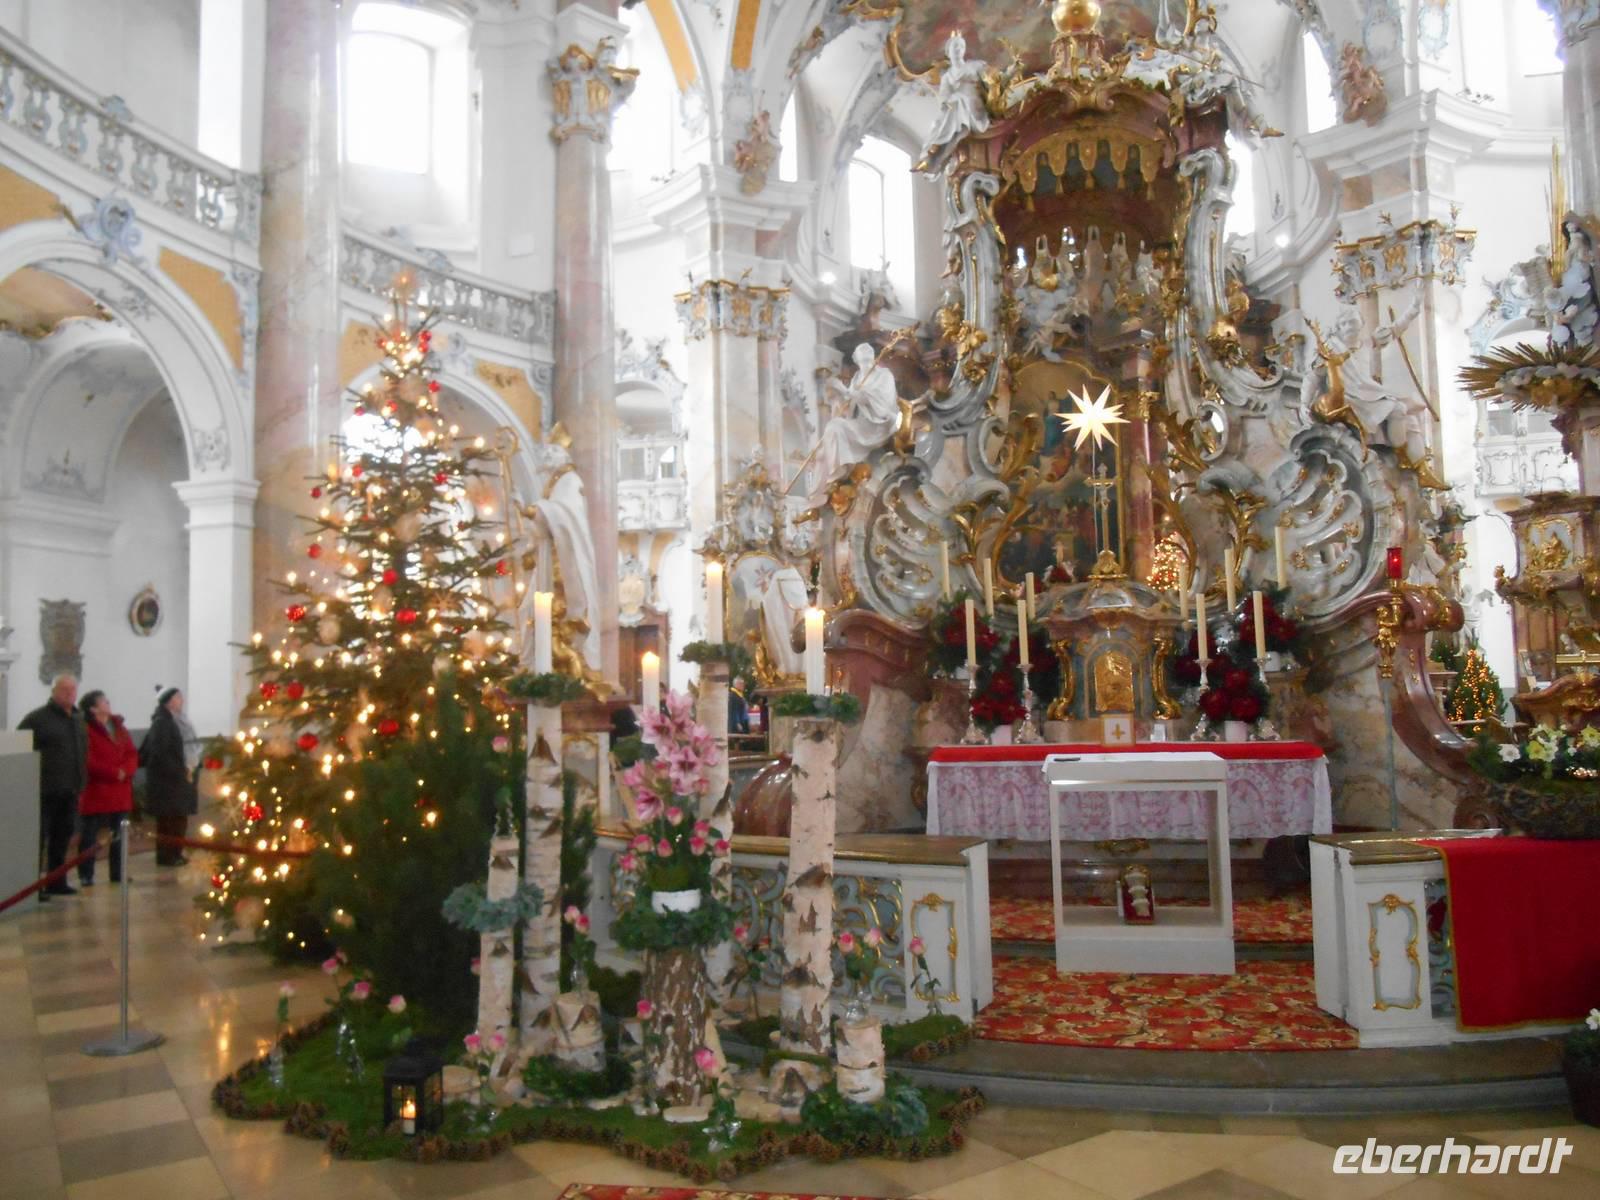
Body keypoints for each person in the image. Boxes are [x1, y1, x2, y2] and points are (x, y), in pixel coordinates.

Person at [17, 674, 87, 898]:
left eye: (73, 690)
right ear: (54, 691)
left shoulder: (77, 719)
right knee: (39, 839)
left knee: (62, 837)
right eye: (64, 689)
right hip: (45, 789)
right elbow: (22, 748)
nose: (70, 694)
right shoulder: (37, 719)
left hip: (70, 789)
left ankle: (56, 882)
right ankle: (33, 888)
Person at [76, 690, 137, 887]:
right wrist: (113, 772)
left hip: (120, 788)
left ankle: (118, 872)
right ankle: (86, 874)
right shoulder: (86, 729)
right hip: (98, 789)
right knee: (90, 836)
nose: (108, 703)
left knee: (119, 834)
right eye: (103, 702)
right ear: (93, 708)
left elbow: (131, 753)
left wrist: (125, 770)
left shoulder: (118, 727)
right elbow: (87, 759)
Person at [140, 687, 197, 867]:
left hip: (179, 780)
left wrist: (193, 766)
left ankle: (175, 853)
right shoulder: (162, 723)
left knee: (179, 819)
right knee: (169, 821)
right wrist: (181, 771)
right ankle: (167, 855)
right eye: (178, 697)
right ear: (169, 701)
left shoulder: (177, 721)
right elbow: (160, 754)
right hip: (168, 783)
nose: (182, 700)